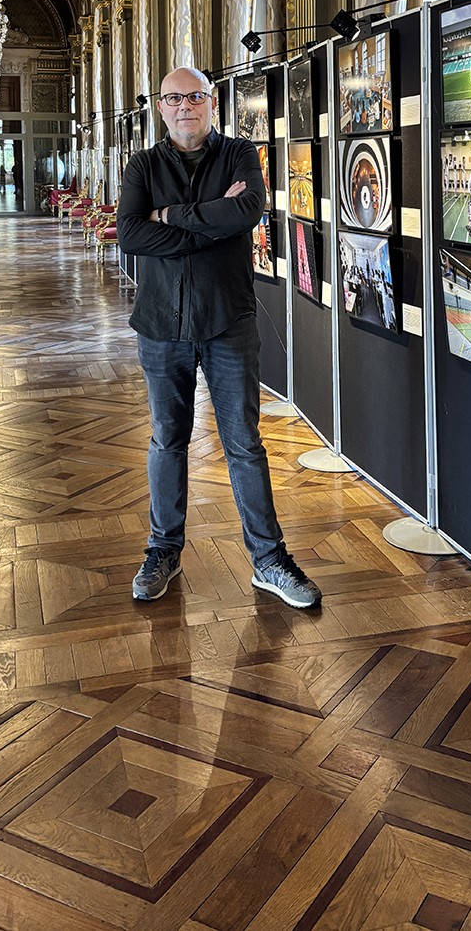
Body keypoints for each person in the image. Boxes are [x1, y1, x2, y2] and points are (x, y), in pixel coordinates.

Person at [116, 67, 321, 609]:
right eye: (174, 98)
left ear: (212, 102)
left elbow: (247, 211)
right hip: (161, 326)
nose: (186, 106)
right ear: (160, 107)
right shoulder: (142, 164)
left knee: (245, 444)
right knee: (167, 440)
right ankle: (163, 549)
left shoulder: (240, 155)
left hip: (228, 321)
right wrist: (208, 226)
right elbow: (132, 234)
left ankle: (269, 560)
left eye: (196, 97)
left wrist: (170, 217)